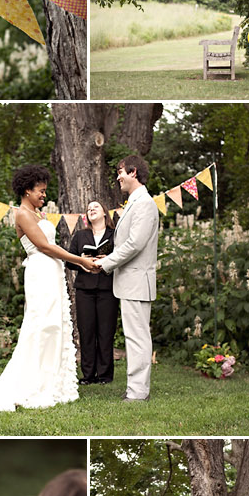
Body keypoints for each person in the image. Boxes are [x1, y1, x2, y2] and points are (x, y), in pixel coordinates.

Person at [0, 164, 94, 414]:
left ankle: (54, 381)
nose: (44, 196)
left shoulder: (39, 214)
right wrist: (79, 260)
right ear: (27, 190)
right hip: (40, 272)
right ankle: (35, 383)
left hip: (52, 272)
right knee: (42, 324)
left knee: (55, 324)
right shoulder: (22, 214)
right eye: (41, 191)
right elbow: (45, 247)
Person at [82, 156, 159, 401]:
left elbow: (135, 244)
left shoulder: (144, 204)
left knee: (137, 338)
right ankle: (135, 389)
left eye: (120, 172)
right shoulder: (134, 203)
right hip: (129, 283)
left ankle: (138, 393)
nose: (118, 177)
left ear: (133, 172)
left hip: (137, 282)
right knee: (133, 337)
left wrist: (105, 263)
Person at [68, 201, 119, 384]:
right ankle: (88, 375)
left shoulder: (115, 235)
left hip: (107, 288)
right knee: (86, 331)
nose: (91, 210)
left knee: (106, 331)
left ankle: (105, 375)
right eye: (88, 208)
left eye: (95, 207)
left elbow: (122, 256)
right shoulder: (80, 235)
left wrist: (109, 259)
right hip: (84, 290)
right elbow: (69, 260)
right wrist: (81, 261)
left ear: (105, 213)